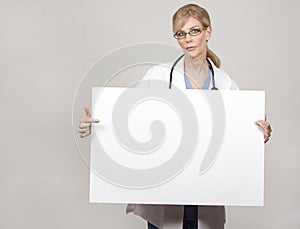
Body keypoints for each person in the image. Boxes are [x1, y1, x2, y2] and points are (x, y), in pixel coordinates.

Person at [78, 3, 272, 229]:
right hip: (166, 200)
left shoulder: (225, 83)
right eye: (181, 34)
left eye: (194, 31)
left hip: (207, 199)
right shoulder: (158, 76)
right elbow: (129, 119)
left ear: (207, 33)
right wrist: (97, 126)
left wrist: (259, 133)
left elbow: (238, 135)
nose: (188, 38)